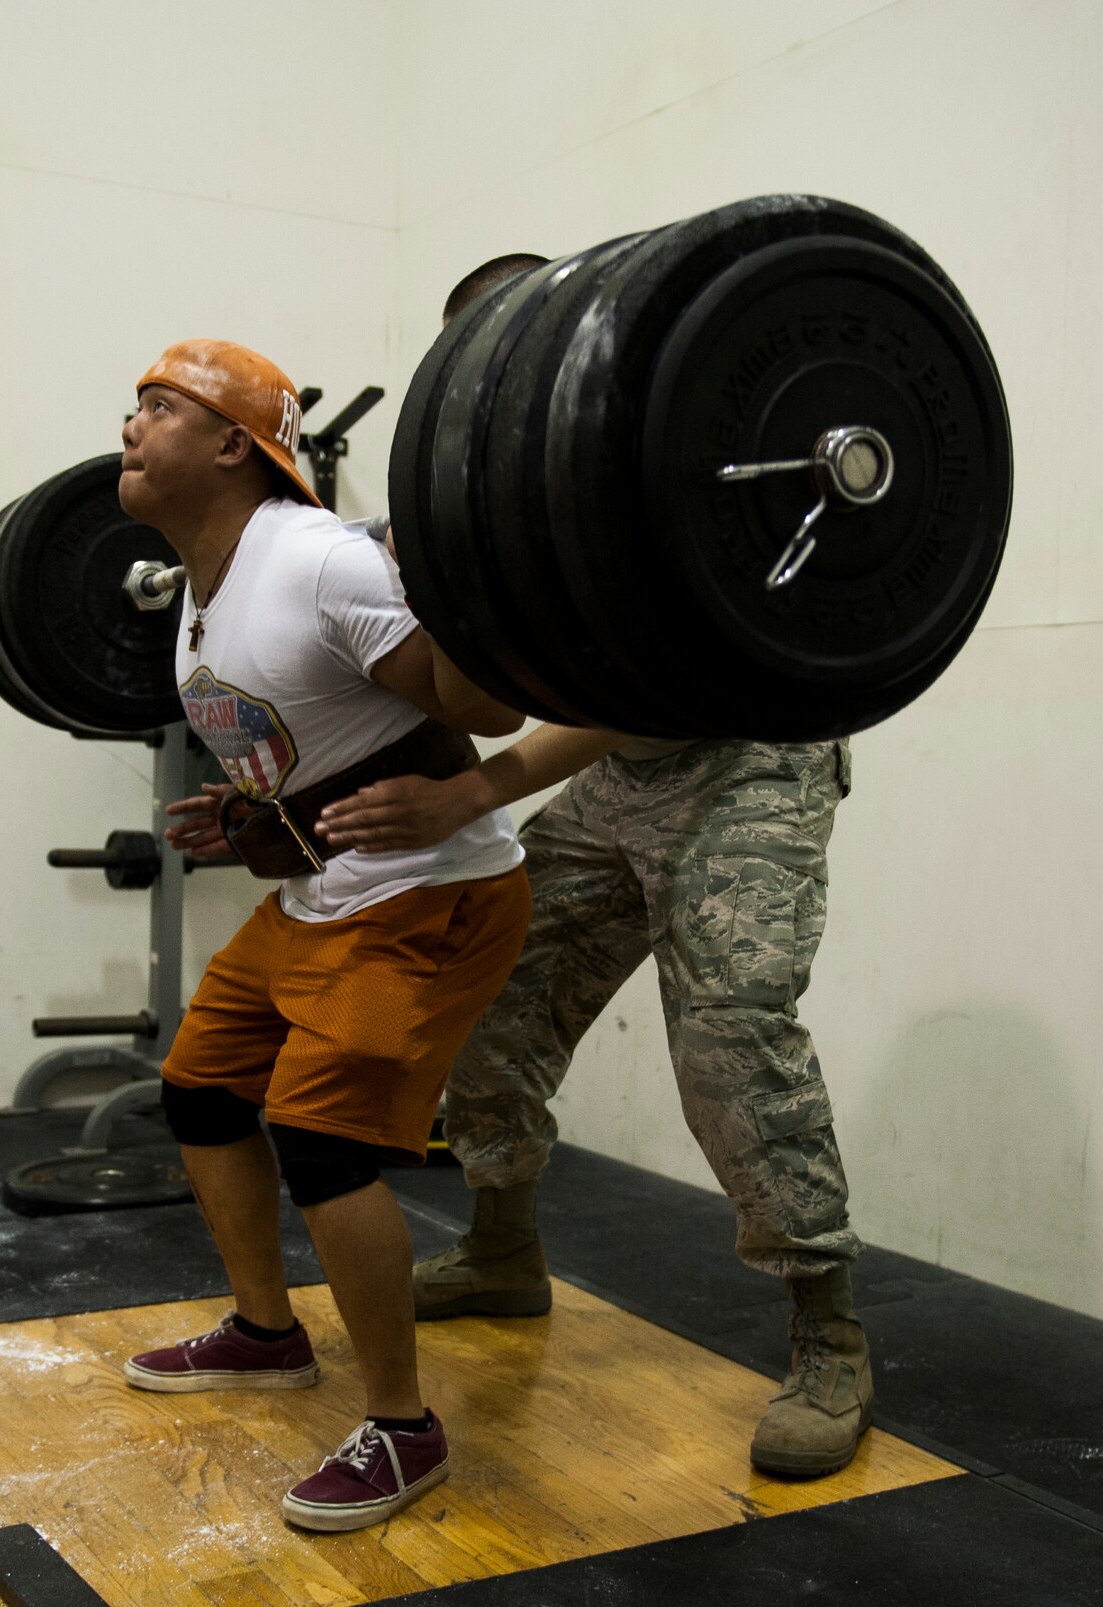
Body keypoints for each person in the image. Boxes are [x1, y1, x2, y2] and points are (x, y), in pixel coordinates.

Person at [313, 255, 871, 1481]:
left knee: (730, 1026)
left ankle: (825, 1331)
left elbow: (632, 677)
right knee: (495, 988)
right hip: (624, 764)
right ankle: (505, 1251)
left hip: (747, 757)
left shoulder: (657, 453)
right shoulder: (493, 486)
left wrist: (475, 786)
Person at [117, 338, 532, 1531]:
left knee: (317, 1131)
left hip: (429, 892)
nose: (129, 427)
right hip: (323, 884)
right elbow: (317, 737)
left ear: (233, 445)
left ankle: (403, 1426)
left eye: (158, 407)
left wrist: (454, 576)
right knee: (199, 1087)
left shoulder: (312, 561)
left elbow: (484, 706)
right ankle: (263, 1329)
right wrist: (248, 808)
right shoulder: (204, 591)